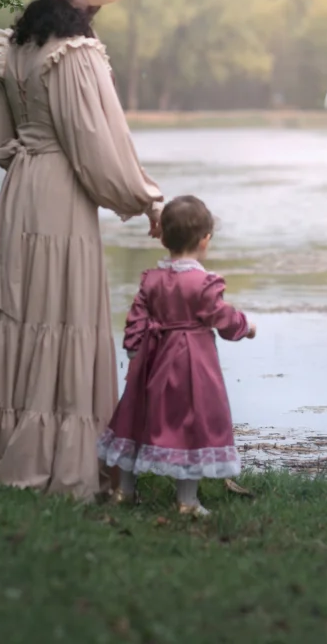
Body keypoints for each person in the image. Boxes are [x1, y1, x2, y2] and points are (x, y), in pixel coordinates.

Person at [0, 0, 164, 501]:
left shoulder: (14, 47)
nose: (105, 4)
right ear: (84, 0)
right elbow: (98, 147)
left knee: (18, 315)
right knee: (59, 312)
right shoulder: (77, 55)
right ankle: (54, 455)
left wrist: (26, 162)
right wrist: (146, 198)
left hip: (19, 190)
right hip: (61, 193)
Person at [97, 195, 257, 517]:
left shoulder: (152, 279)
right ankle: (187, 501)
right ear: (205, 240)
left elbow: (136, 318)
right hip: (192, 364)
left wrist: (133, 349)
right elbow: (221, 319)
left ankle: (123, 492)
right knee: (191, 421)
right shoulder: (203, 283)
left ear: (164, 238)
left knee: (137, 416)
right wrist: (247, 326)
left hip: (152, 359)